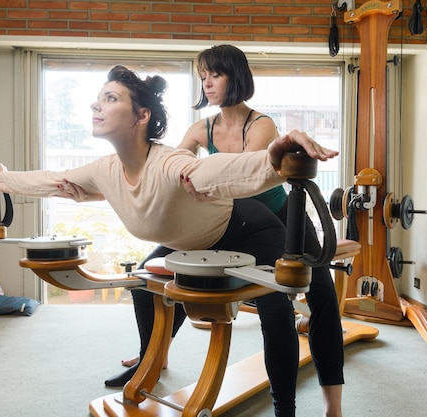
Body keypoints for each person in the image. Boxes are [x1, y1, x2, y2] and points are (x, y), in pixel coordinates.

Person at [0, 64, 338, 417]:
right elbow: (54, 180)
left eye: (111, 98)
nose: (95, 104)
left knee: (275, 314)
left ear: (141, 115)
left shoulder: (170, 162)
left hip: (253, 229)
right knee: (145, 285)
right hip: (196, 241)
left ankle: (285, 410)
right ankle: (150, 363)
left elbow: (214, 170)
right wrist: (2, 177)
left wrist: (272, 158)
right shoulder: (105, 169)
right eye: (98, 98)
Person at [112, 45, 345, 417]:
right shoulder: (201, 128)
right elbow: (171, 166)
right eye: (203, 76)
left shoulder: (261, 125)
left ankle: (328, 405)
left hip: (283, 222)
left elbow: (245, 182)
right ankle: (151, 359)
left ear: (235, 77)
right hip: (232, 224)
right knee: (145, 279)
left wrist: (201, 178)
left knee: (315, 299)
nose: (207, 83)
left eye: (214, 75)